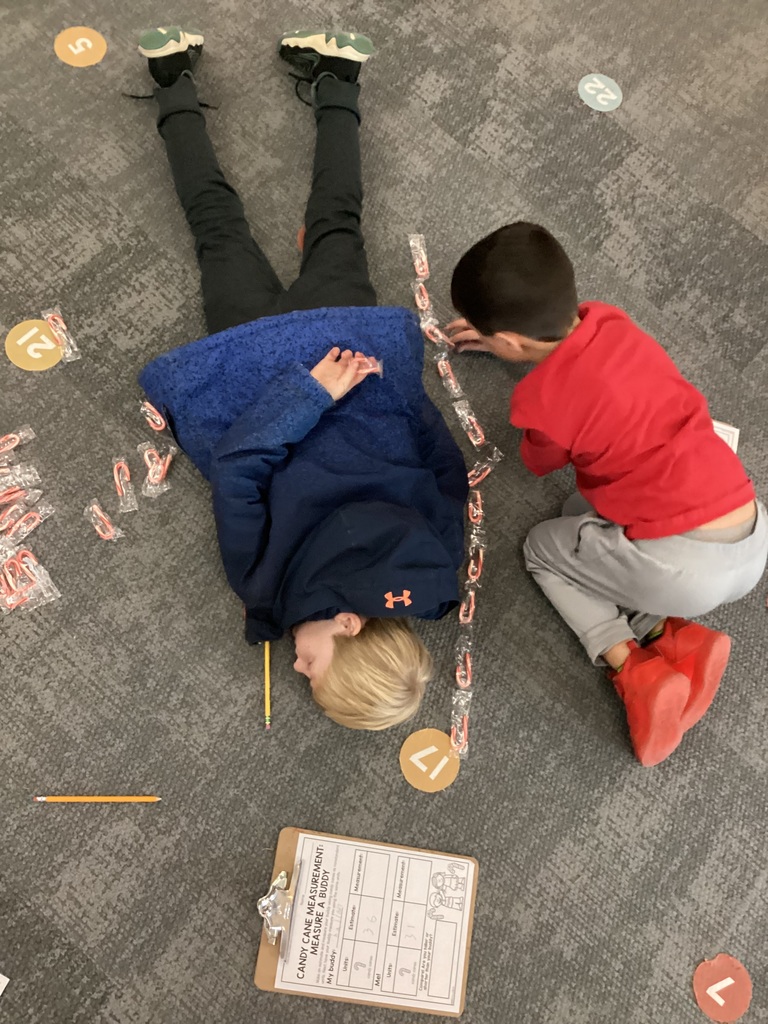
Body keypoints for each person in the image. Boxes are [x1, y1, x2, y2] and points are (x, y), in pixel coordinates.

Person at [132, 27, 468, 729]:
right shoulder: (265, 587)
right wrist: (312, 392)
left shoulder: (438, 565)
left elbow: (447, 469)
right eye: (311, 669)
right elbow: (238, 468)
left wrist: (393, 392)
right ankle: (171, 82)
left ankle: (340, 74)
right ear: (348, 625)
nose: (294, 665)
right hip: (253, 368)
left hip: (346, 353)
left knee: (336, 224)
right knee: (220, 230)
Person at [448, 223, 767, 766]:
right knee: (581, 513)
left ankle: (633, 665)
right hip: (748, 528)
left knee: (543, 549)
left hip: (683, 564)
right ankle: (673, 634)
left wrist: (529, 393)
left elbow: (537, 462)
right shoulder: (612, 321)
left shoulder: (541, 400)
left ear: (509, 344)